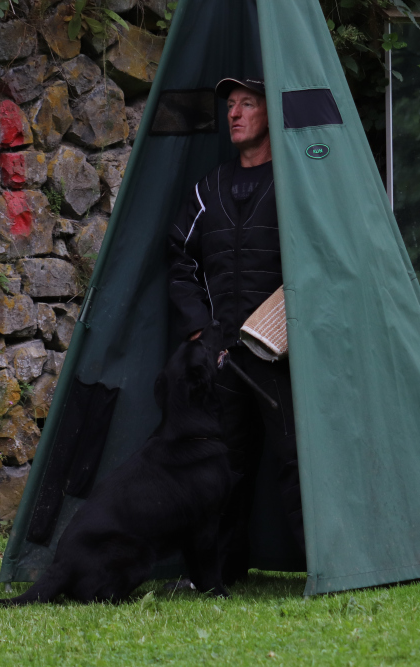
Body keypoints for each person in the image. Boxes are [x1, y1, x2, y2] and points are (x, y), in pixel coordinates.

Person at [167, 78, 303, 584]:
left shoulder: (295, 184)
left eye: (247, 104)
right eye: (230, 106)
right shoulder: (208, 189)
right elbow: (180, 261)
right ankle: (218, 573)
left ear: (270, 113)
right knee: (222, 465)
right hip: (223, 358)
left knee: (297, 461)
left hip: (284, 359)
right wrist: (200, 331)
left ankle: (323, 567)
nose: (235, 114)